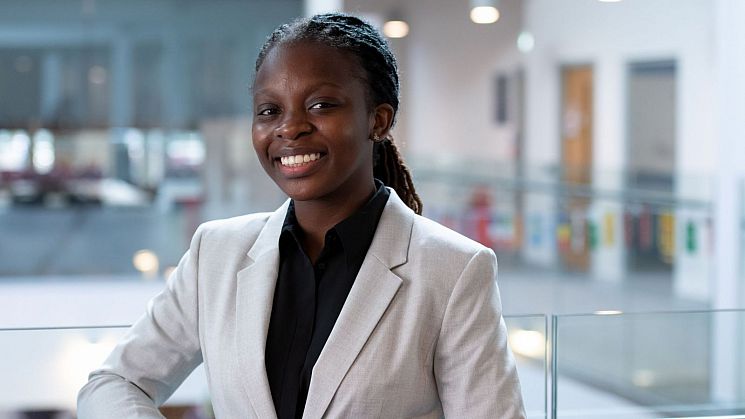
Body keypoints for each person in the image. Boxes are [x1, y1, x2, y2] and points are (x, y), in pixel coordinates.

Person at [78, 13, 525, 418]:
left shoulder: (454, 269)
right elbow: (113, 382)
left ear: (379, 120)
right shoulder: (215, 252)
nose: (289, 128)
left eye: (321, 105)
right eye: (269, 111)